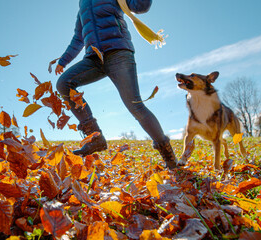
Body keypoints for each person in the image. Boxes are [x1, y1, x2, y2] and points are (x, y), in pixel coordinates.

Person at [54, 0, 178, 169]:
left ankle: (168, 155)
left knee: (135, 105)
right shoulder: (83, 4)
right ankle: (95, 138)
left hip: (118, 52)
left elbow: (141, 6)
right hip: (94, 59)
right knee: (64, 83)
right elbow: (79, 37)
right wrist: (63, 60)